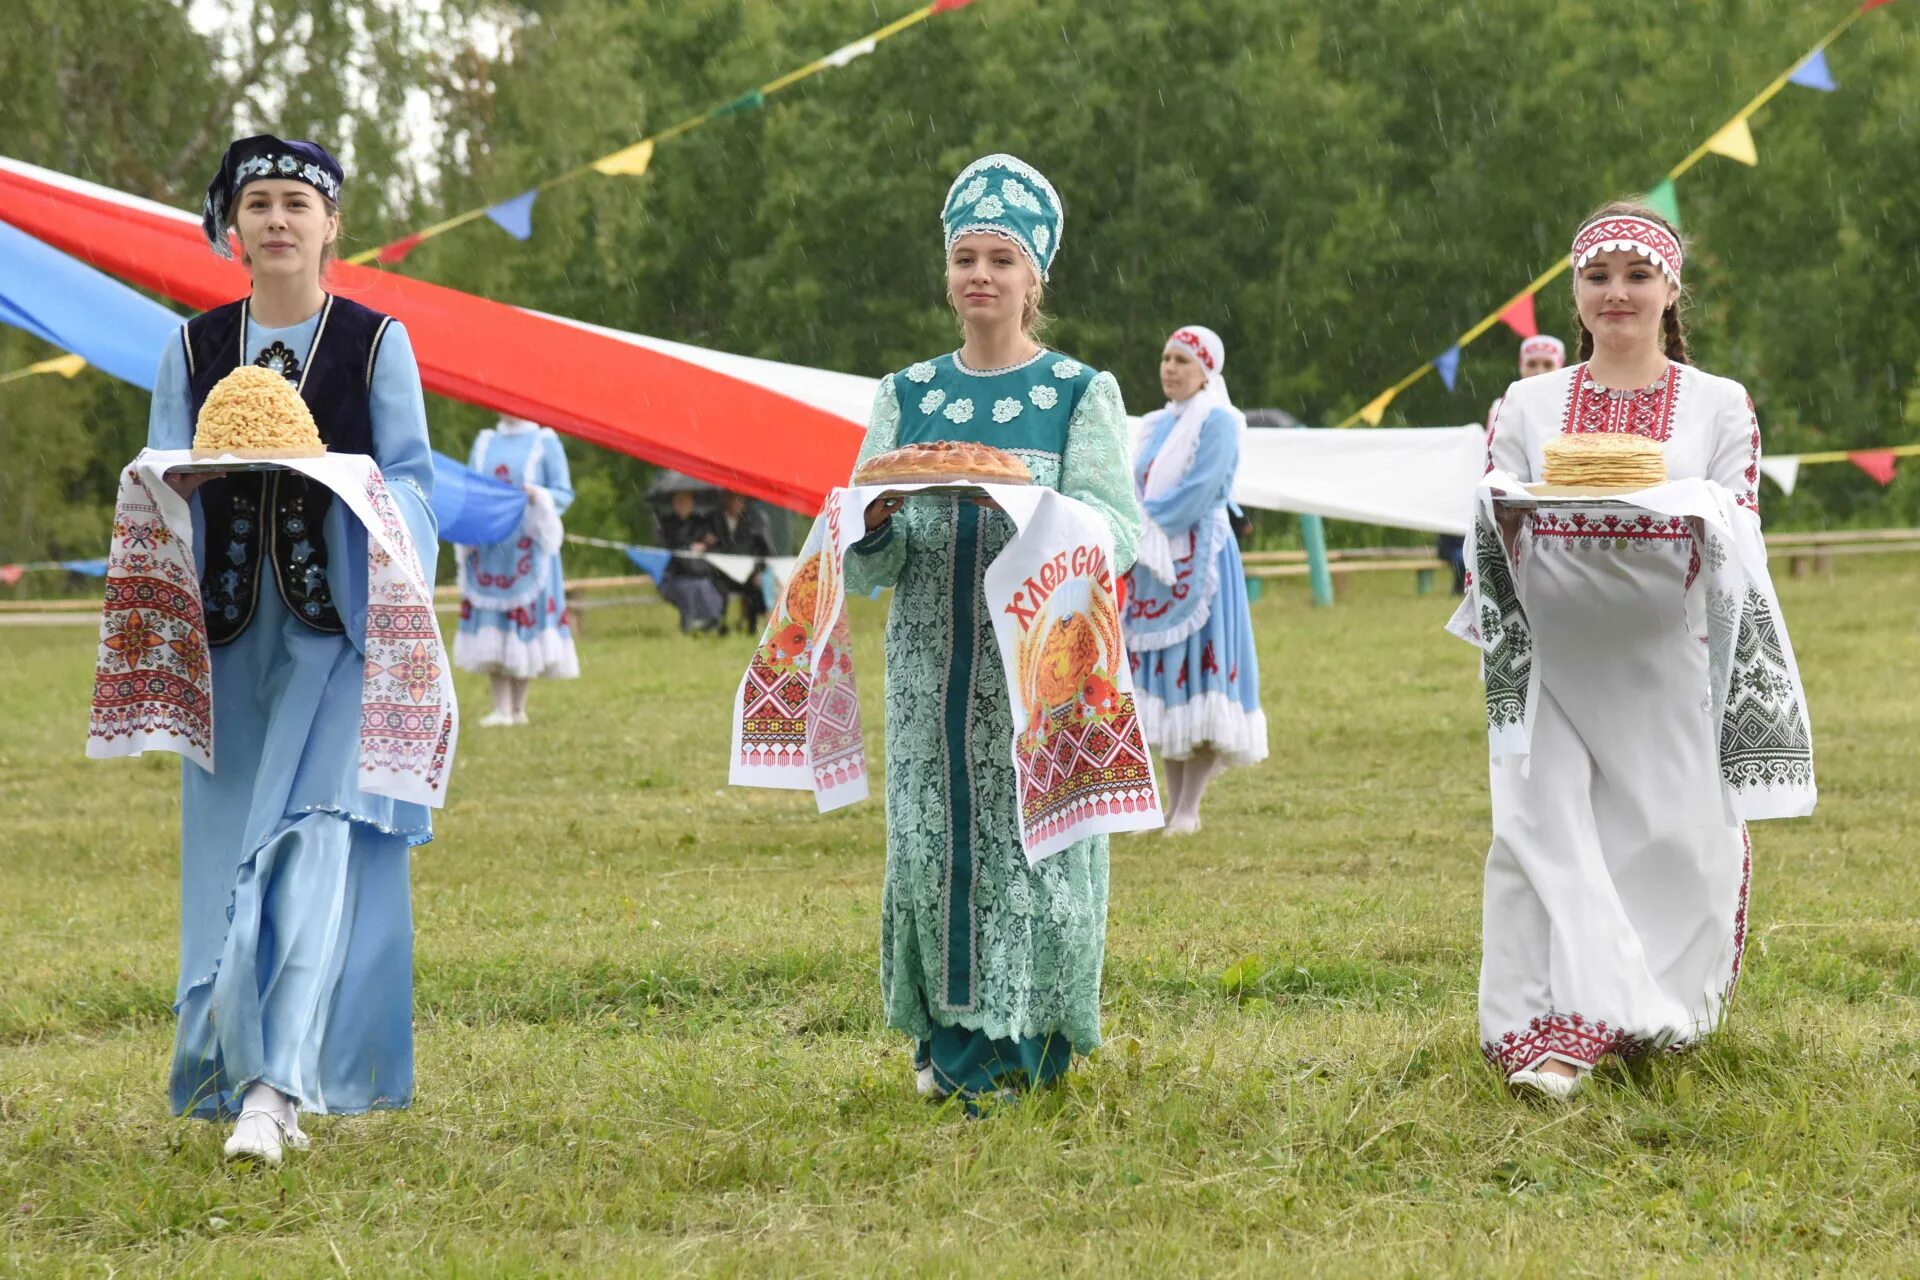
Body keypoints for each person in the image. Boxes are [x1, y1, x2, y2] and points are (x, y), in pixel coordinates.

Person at [147, 135, 437, 1161]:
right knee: (229, 858)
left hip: (336, 631)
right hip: (228, 642)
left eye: (296, 204)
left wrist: (351, 495)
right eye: (259, 203)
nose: (277, 219)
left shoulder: (372, 342)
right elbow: (156, 481)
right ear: (234, 228)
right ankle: (232, 1060)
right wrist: (179, 486)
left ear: (331, 226)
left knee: (313, 837)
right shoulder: (190, 349)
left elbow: (414, 483)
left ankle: (281, 1085)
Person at [844, 154, 1141, 1105]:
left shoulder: (1078, 392)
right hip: (933, 662)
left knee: (1031, 848)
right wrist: (875, 523)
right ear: (946, 273)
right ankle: (947, 1036)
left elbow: (1120, 532)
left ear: (1034, 279)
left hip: (1041, 670)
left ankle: (1021, 1047)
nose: (981, 275)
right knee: (934, 849)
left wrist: (1032, 506)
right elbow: (865, 556)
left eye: (1000, 259)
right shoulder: (905, 394)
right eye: (965, 256)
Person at [1475, 201, 1776, 1099]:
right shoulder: (1525, 403)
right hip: (1555, 658)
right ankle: (1553, 1032)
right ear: (1574, 292)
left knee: (1679, 843)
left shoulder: (1720, 403)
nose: (1617, 294)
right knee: (1547, 837)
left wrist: (1685, 509)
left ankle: (1656, 1013)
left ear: (1670, 288)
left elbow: (1741, 524)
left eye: (1637, 276)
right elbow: (1493, 512)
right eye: (1598, 278)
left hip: (1667, 657)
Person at [1123, 325, 1268, 834]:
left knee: (1201, 671)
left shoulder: (1222, 421)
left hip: (1200, 554)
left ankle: (1190, 807)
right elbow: (1135, 482)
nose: (1169, 368)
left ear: (1207, 369)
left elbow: (1204, 486)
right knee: (1165, 674)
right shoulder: (1154, 425)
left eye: (1182, 360)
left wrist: (1144, 520)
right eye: (1165, 358)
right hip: (1154, 558)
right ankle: (1170, 803)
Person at [455, 416, 578, 725]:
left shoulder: (545, 440)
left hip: (527, 545)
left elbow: (563, 491)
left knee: (523, 623)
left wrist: (537, 494)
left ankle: (518, 707)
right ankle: (501, 707)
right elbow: (472, 487)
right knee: (493, 623)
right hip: (491, 546)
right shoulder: (485, 441)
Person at [1438, 335, 1569, 593]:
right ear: (1521, 365)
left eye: (1547, 364)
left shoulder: (1569, 407)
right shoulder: (1504, 405)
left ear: (1561, 366)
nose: (1539, 371)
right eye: (1532, 364)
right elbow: (1499, 458)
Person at [655, 489, 724, 634]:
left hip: (701, 573)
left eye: (686, 501)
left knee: (708, 587)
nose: (682, 505)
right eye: (679, 501)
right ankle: (691, 623)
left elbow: (714, 544)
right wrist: (688, 548)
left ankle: (711, 621)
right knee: (690, 588)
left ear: (692, 503)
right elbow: (665, 548)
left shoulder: (701, 523)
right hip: (675, 576)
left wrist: (707, 544)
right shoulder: (665, 525)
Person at [711, 490, 774, 635]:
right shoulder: (715, 519)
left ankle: (752, 627)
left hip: (749, 573)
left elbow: (764, 551)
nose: (734, 502)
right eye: (730, 497)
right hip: (721, 573)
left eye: (738, 498)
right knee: (718, 588)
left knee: (756, 589)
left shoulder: (755, 520)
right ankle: (720, 625)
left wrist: (758, 571)